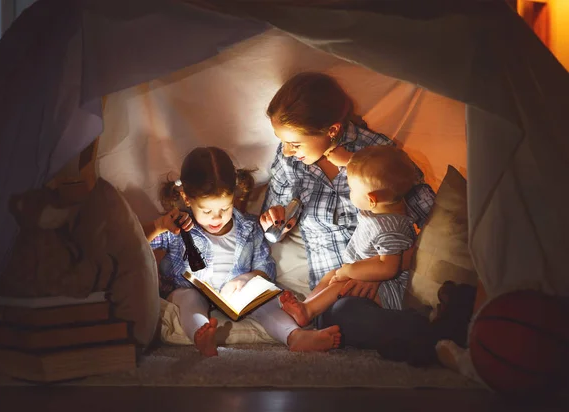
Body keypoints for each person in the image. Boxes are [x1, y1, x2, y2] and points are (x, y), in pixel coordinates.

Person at [260, 72, 436, 348]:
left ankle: (426, 334)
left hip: (382, 285)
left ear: (331, 130)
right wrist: (274, 222)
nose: (287, 152)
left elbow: (433, 223)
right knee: (334, 315)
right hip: (326, 294)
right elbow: (273, 231)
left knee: (352, 316)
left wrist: (379, 272)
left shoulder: (378, 154)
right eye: (282, 142)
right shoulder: (289, 163)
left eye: (295, 144)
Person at [142, 147, 341, 357]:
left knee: (264, 300)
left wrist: (247, 278)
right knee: (188, 298)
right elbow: (134, 242)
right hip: (189, 290)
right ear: (187, 198)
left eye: (225, 209)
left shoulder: (249, 227)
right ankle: (201, 335)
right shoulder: (176, 226)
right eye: (207, 211)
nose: (217, 218)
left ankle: (295, 336)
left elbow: (266, 266)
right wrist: (158, 225)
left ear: (234, 196)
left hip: (236, 299)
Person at [279, 145, 418, 327]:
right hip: (363, 274)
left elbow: (388, 268)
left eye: (352, 189)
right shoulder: (379, 211)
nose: (350, 193)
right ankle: (307, 307)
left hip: (388, 291)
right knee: (332, 275)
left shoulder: (391, 226)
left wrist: (349, 271)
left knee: (343, 282)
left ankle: (307, 312)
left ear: (371, 200)